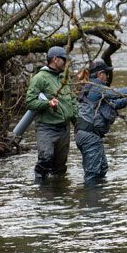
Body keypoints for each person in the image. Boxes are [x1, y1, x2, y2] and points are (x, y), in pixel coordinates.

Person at [75, 59, 127, 186]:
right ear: (100, 74)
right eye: (106, 74)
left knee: (102, 169)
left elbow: (113, 104)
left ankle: (100, 196)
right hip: (89, 135)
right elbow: (116, 93)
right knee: (93, 174)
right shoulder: (96, 88)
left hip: (91, 135)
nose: (108, 77)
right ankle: (91, 197)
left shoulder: (95, 90)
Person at [25, 46, 77, 181]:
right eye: (63, 59)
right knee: (45, 159)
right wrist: (47, 104)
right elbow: (29, 102)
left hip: (64, 128)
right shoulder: (39, 78)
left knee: (60, 166)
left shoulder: (64, 78)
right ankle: (41, 189)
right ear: (55, 59)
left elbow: (72, 101)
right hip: (46, 127)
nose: (65, 63)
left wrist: (78, 123)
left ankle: (59, 191)